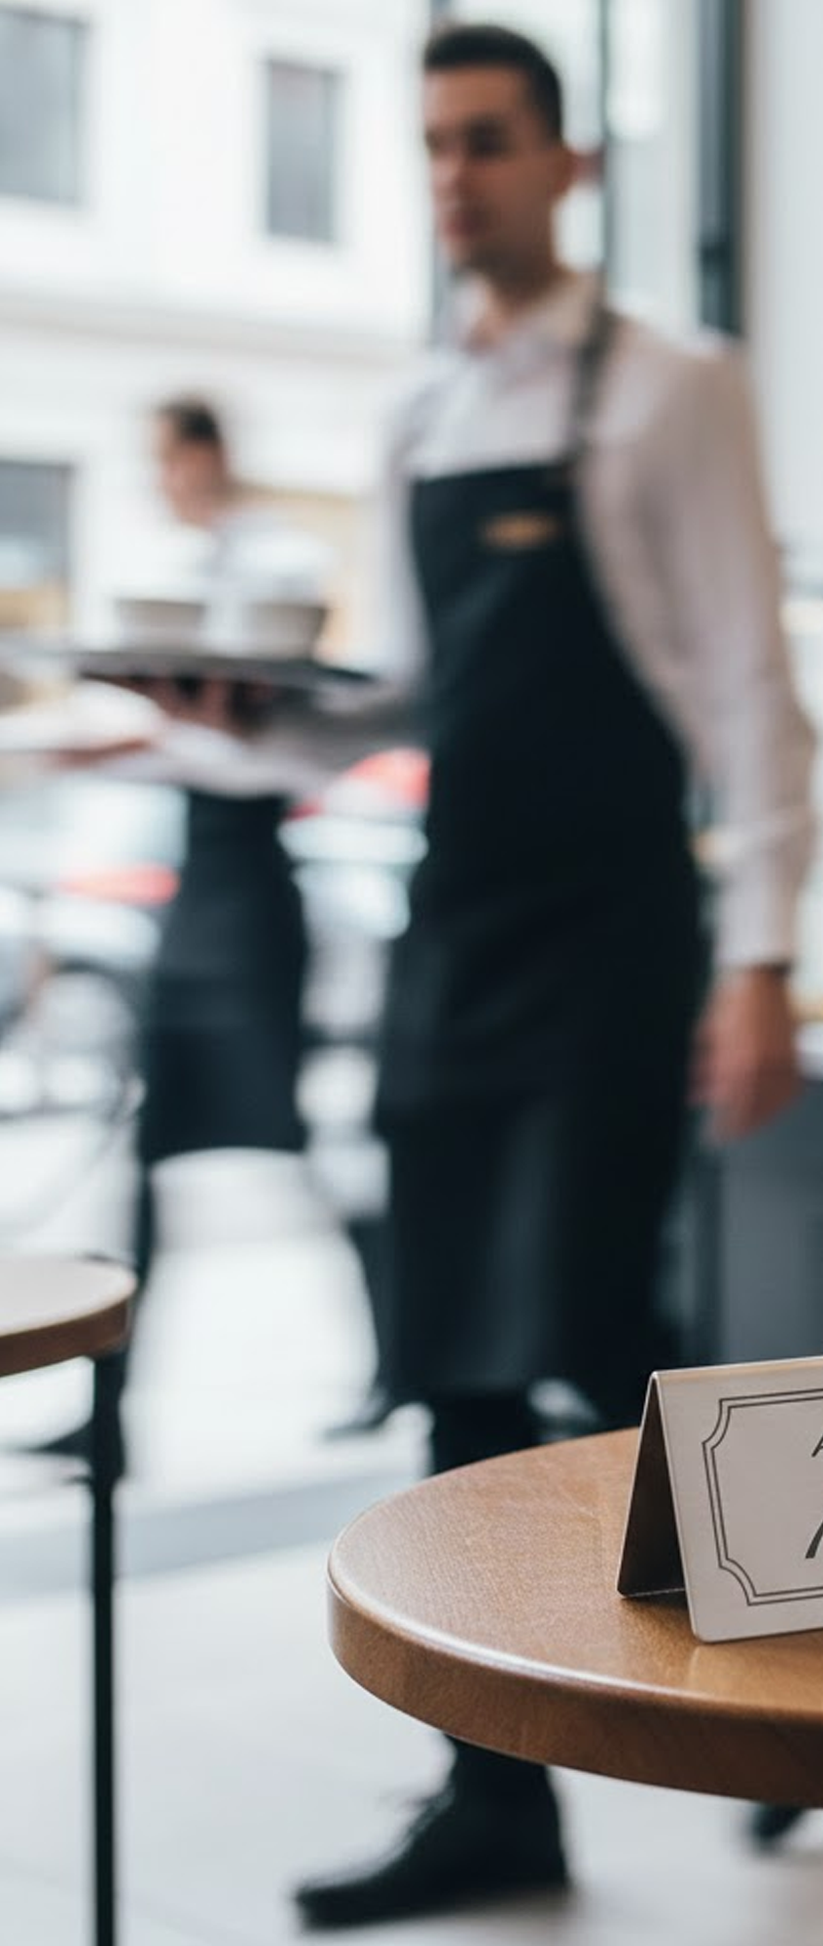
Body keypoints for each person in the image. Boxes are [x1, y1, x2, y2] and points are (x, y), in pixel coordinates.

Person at [291, 22, 813, 1931]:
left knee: (614, 1343)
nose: (457, 179)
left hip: (612, 928)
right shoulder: (419, 412)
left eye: (490, 143)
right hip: (458, 924)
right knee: (453, 1350)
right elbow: (408, 695)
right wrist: (242, 719)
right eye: (434, 146)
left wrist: (762, 956)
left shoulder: (673, 386)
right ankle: (492, 1794)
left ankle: (804, 1691)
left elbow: (748, 686)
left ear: (569, 165)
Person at [28, 395, 388, 1474]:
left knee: (309, 1148)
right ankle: (113, 1403)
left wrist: (96, 747)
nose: (162, 480)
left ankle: (401, 1361)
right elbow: (182, 738)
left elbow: (249, 739)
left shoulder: (279, 561)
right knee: (147, 1154)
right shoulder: (183, 566)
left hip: (253, 892)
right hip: (196, 894)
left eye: (167, 459)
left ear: (208, 453)